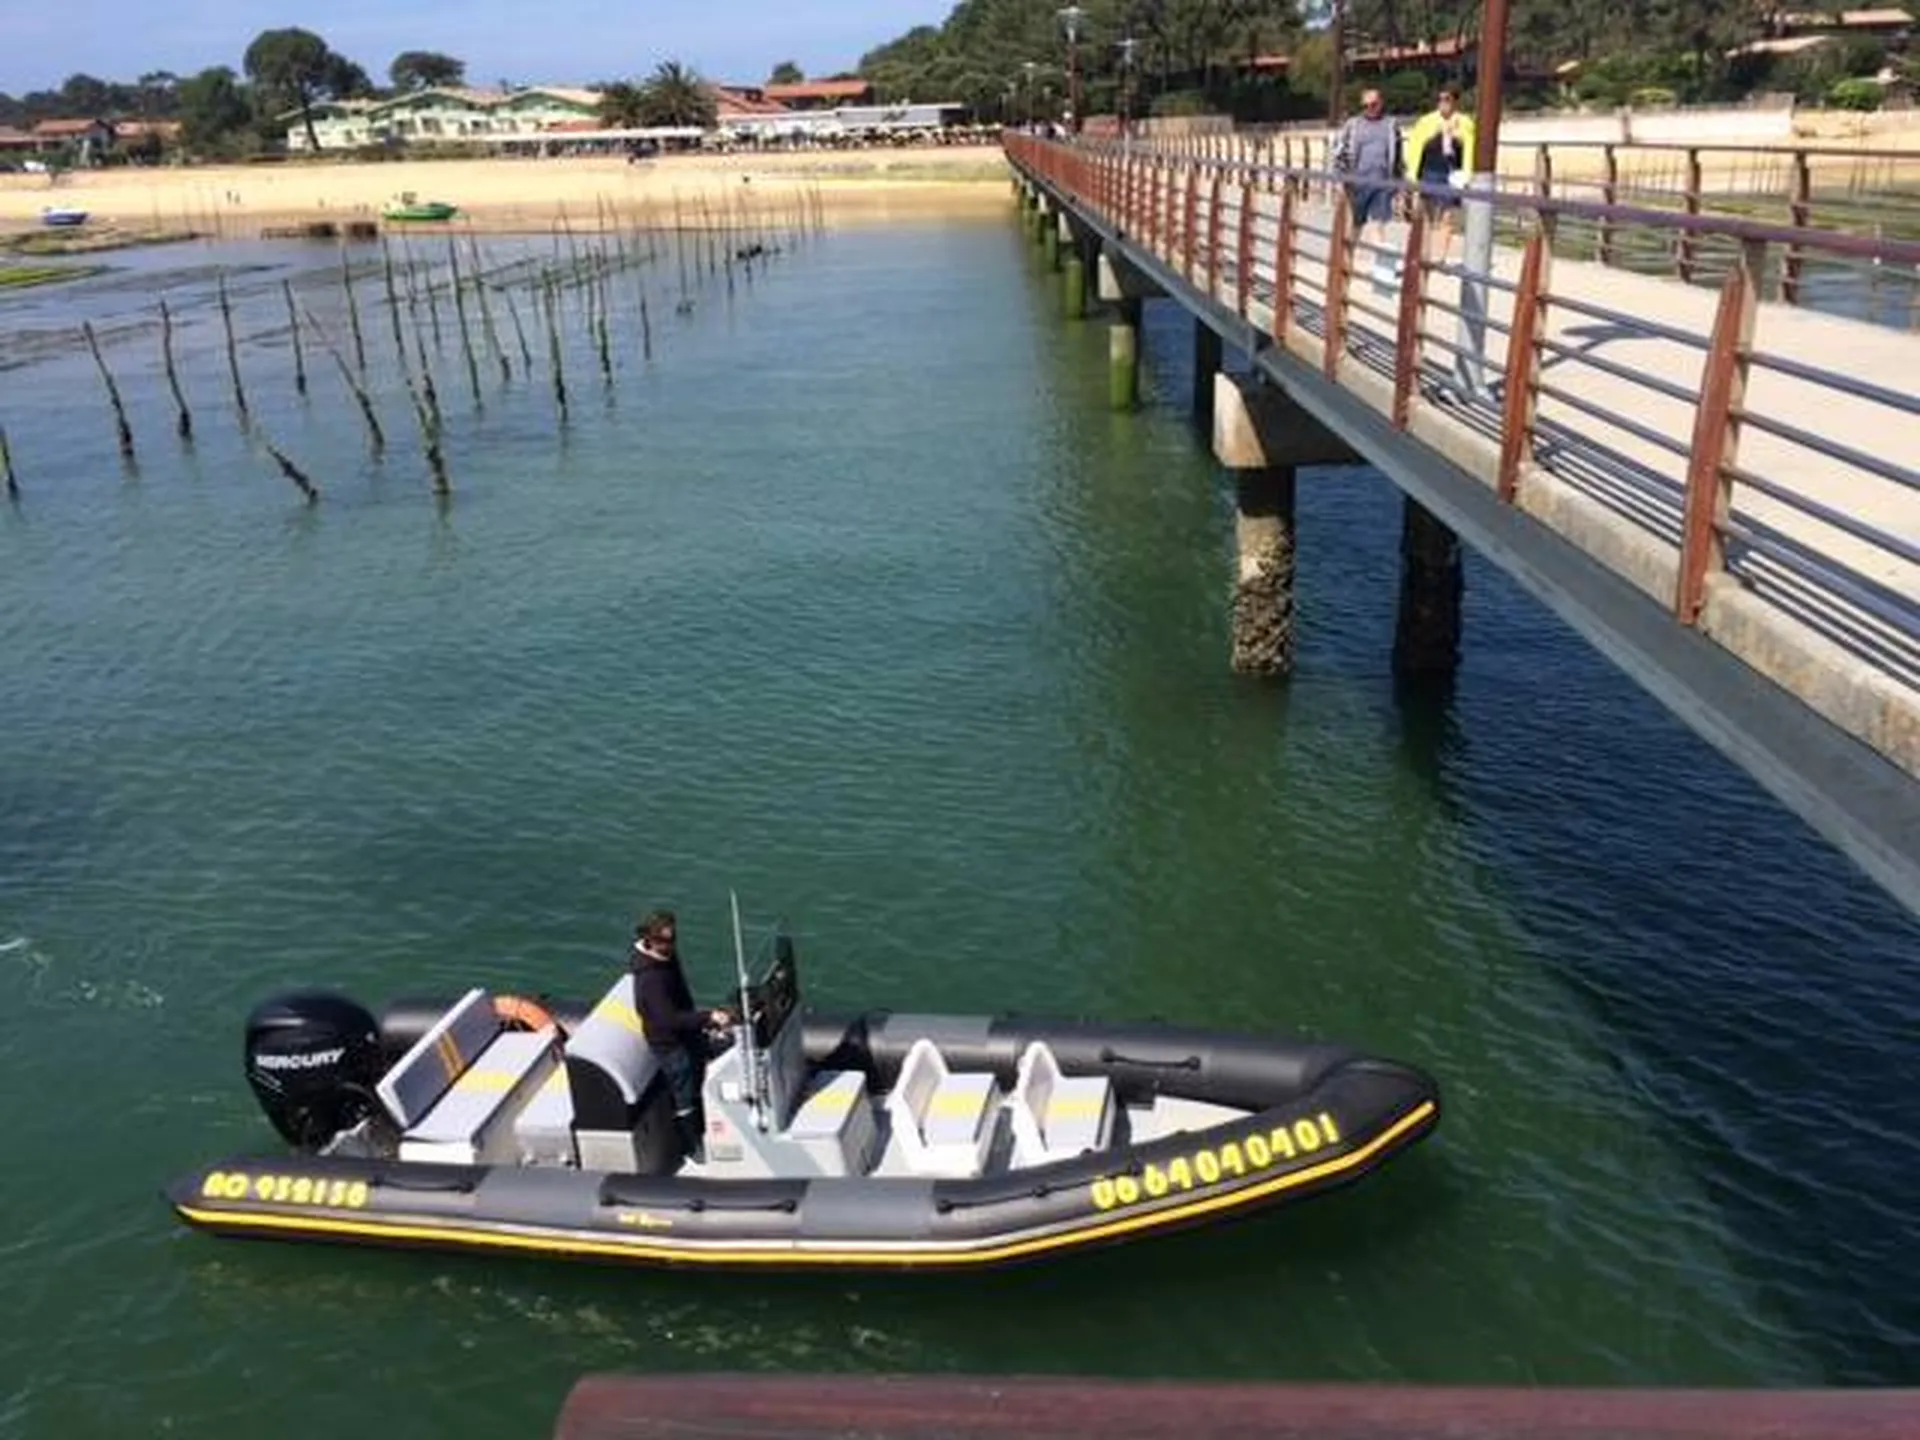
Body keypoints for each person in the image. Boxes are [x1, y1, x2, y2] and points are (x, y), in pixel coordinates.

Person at [629, 909, 732, 1162]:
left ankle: (706, 1123)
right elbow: (668, 1019)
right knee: (684, 1094)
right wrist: (708, 1017)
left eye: (673, 939)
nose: (671, 945)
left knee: (698, 1077)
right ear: (651, 940)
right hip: (670, 1044)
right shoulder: (651, 978)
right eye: (665, 941)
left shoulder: (667, 959)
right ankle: (692, 1145)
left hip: (687, 1032)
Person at [1331, 89, 1403, 286]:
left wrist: (1398, 182)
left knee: (1378, 224)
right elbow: (1339, 153)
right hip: (1357, 184)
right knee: (1355, 226)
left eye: (1373, 104)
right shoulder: (1353, 125)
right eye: (1365, 105)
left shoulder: (1391, 124)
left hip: (1382, 183)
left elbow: (1398, 155)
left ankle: (1381, 270)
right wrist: (1340, 180)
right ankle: (1346, 264)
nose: (1369, 109)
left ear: (1381, 103)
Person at [1402, 86, 1476, 266]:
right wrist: (1434, 135)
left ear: (1455, 102)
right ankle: (1424, 252)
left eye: (1447, 99)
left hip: (1452, 171)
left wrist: (1457, 137)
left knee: (1448, 215)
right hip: (1430, 168)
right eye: (1440, 99)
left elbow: (1471, 147)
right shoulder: (1426, 121)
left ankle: (1441, 256)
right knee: (1426, 212)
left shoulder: (1465, 122)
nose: (1443, 103)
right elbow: (1415, 145)